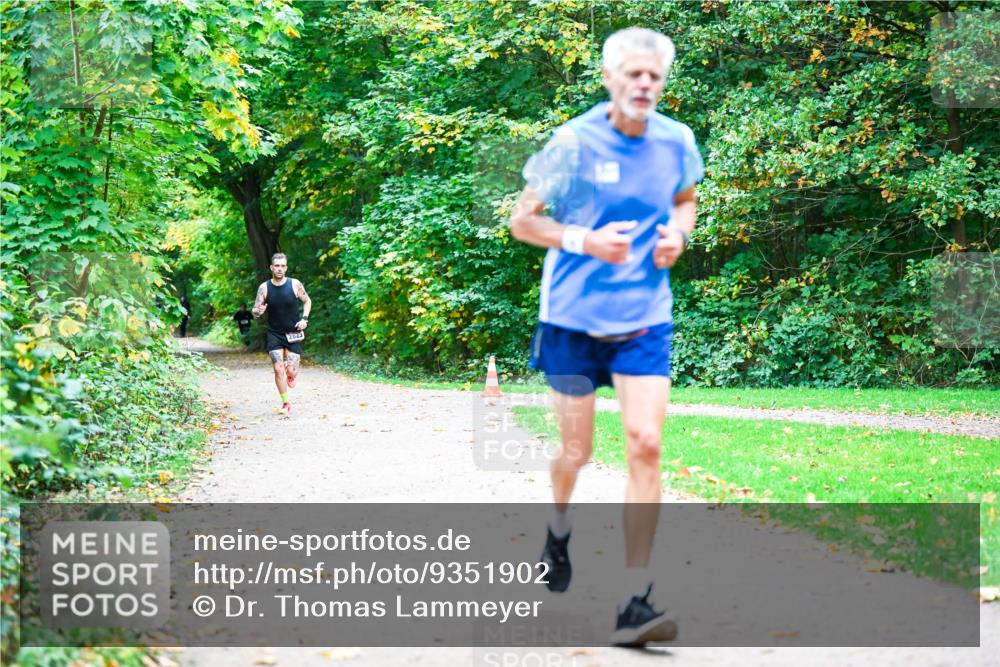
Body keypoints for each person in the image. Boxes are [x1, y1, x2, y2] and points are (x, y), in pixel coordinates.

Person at [509, 27, 703, 647]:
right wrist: (584, 241)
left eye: (654, 76)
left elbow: (686, 200)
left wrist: (680, 235)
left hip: (644, 316)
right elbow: (523, 221)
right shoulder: (574, 141)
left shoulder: (677, 141)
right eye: (633, 75)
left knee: (645, 444)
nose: (645, 85)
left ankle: (634, 600)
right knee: (577, 451)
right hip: (570, 319)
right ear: (609, 78)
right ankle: (558, 528)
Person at [252, 253, 312, 414]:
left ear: (286, 267)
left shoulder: (295, 284)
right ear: (271, 267)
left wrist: (304, 319)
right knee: (278, 368)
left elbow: (307, 301)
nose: (279, 269)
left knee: (291, 371)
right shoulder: (264, 288)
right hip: (274, 333)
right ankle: (286, 403)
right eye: (276, 266)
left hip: (293, 332)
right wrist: (259, 311)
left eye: (282, 266)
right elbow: (255, 310)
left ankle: (291, 372)